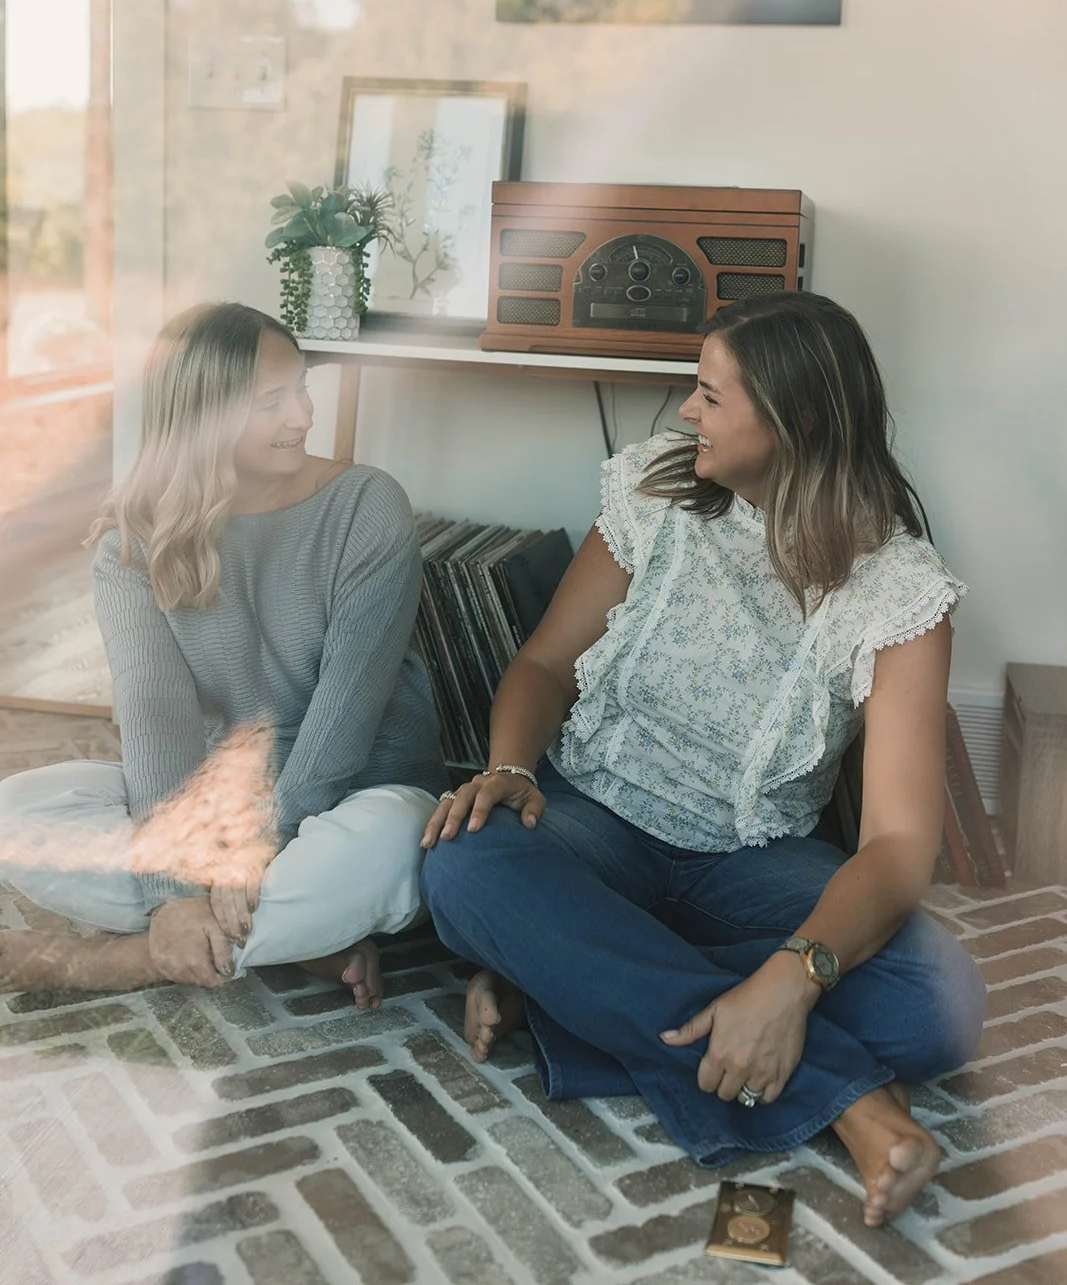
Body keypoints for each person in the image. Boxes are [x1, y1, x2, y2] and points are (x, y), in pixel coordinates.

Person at [420, 292, 986, 1228]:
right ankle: (847, 1100)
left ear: (796, 419)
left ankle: (569, 983)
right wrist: (512, 770)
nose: (686, 411)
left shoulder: (900, 591)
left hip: (753, 859)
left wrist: (792, 973)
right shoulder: (655, 488)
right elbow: (545, 662)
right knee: (464, 862)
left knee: (938, 1004)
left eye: (710, 395)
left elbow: (894, 844)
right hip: (588, 817)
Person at [0, 302, 446, 1005]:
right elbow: (157, 714)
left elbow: (348, 710)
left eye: (301, 388)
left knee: (392, 842)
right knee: (17, 813)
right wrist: (176, 884)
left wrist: (261, 847)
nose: (302, 416)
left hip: (356, 792)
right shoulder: (132, 541)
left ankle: (132, 960)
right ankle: (286, 939)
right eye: (271, 401)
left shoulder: (367, 505)